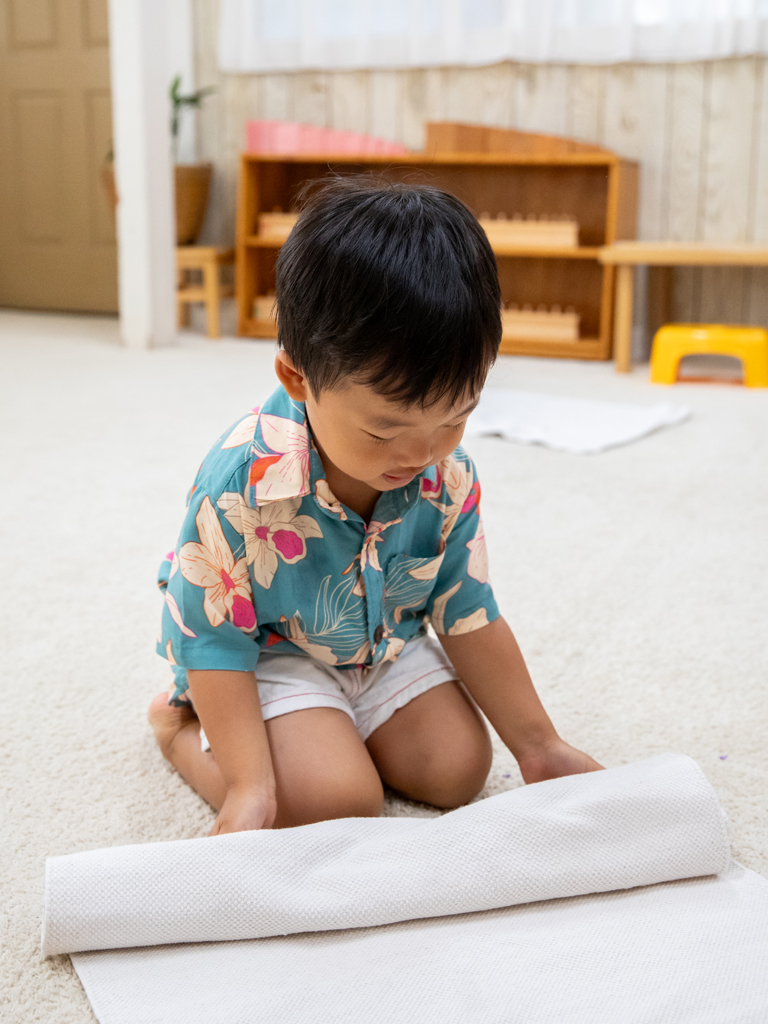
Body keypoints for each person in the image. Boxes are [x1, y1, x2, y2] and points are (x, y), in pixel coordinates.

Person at [149, 176, 602, 835]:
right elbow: (213, 639)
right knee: (331, 804)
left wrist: (540, 746)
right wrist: (248, 788)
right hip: (270, 655)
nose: (420, 452)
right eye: (385, 430)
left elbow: (469, 613)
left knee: (457, 771)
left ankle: (336, 736)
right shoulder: (240, 479)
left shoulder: (447, 477)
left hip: (382, 644)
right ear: (297, 378)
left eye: (455, 419)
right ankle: (175, 731)